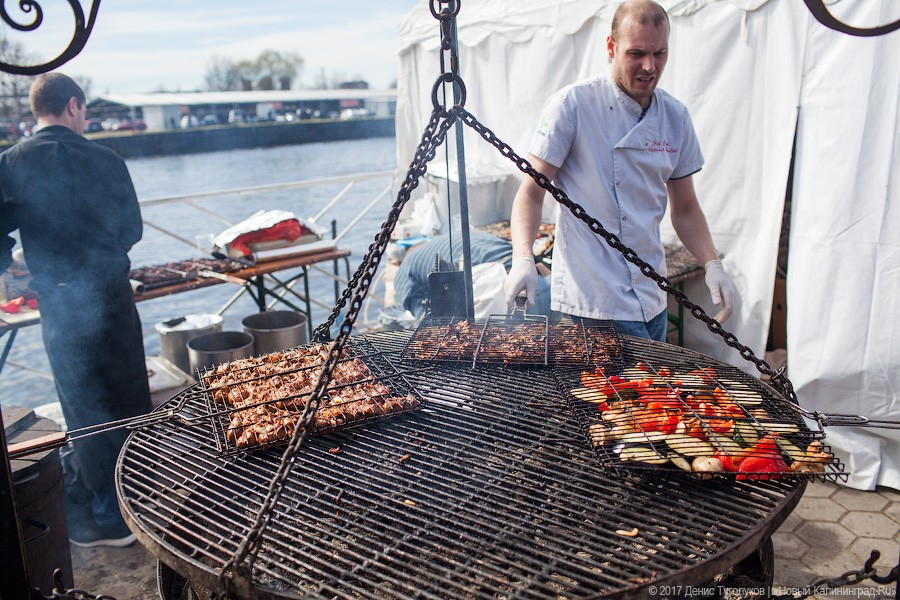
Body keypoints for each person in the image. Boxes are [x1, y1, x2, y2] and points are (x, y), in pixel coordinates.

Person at [504, 0, 736, 342]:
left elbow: (685, 209)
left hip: (652, 292)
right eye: (636, 53)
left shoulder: (675, 117)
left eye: (659, 54)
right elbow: (531, 192)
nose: (649, 66)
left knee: (648, 393)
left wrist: (712, 263)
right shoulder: (573, 106)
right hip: (591, 305)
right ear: (611, 46)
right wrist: (522, 257)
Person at [0, 73, 152, 547]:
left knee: (83, 403)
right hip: (110, 292)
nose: (85, 119)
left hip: (61, 301)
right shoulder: (107, 159)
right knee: (128, 395)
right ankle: (141, 502)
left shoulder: (10, 163)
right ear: (72, 106)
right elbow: (132, 229)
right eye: (84, 111)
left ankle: (107, 516)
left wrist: (15, 264)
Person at [394, 229, 550, 319]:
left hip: (507, 296)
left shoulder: (405, 267)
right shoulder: (452, 236)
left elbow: (420, 312)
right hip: (544, 282)